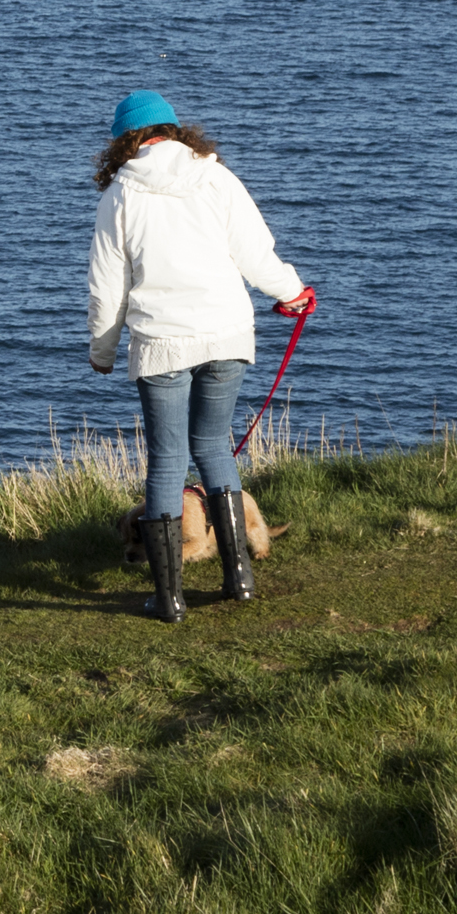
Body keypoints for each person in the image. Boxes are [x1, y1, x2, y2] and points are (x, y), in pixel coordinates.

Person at [84, 91, 312, 622]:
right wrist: (292, 293)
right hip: (226, 334)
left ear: (126, 141)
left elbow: (106, 288)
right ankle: (239, 581)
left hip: (161, 341)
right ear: (175, 130)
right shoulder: (216, 176)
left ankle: (169, 598)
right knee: (214, 447)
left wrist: (103, 350)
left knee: (167, 461)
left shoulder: (120, 195)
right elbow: (256, 251)